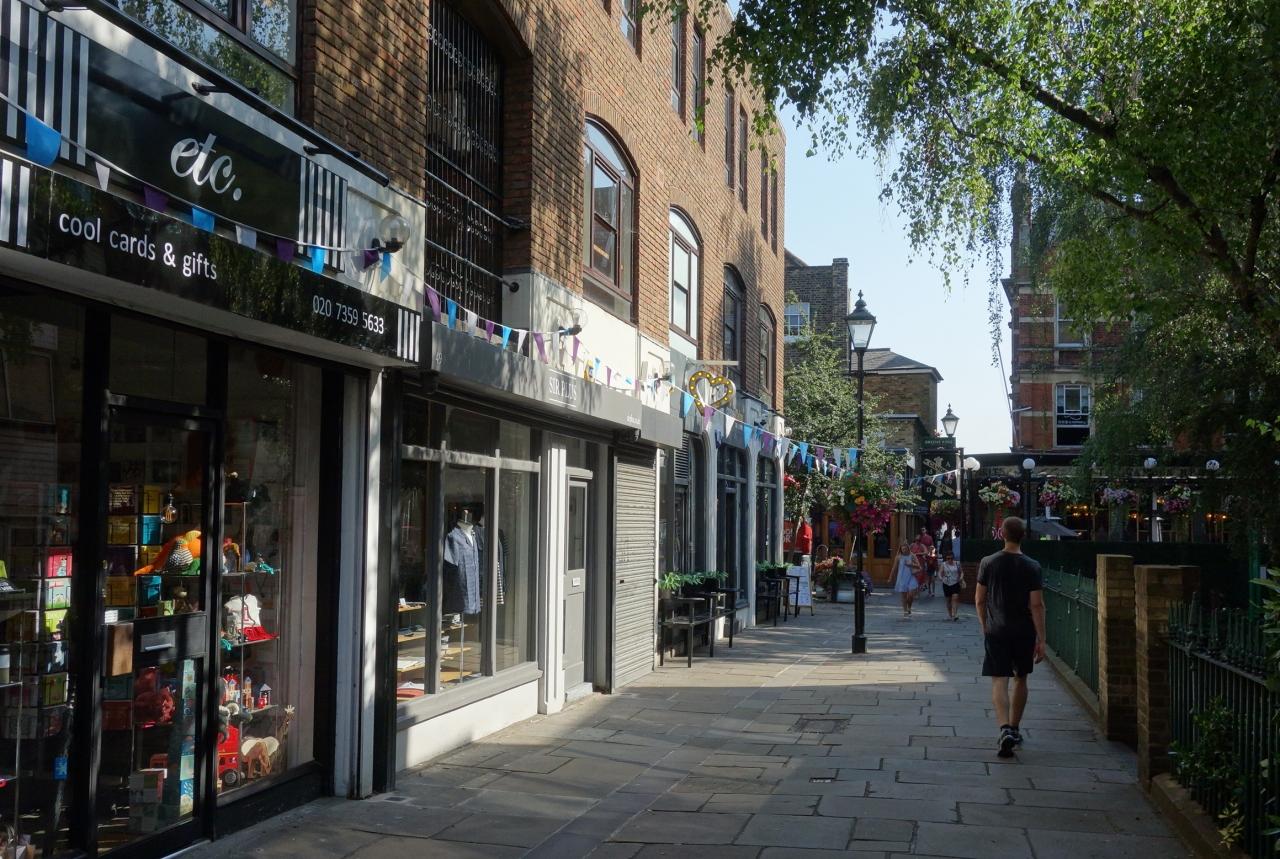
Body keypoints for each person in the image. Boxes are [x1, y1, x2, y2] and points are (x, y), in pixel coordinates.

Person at [974, 517, 1046, 758]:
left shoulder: (988, 562)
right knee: (1021, 678)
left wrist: (984, 624)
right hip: (1024, 630)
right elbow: (1036, 605)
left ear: (1002, 534)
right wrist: (1042, 638)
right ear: (1023, 535)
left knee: (999, 679)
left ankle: (1004, 727)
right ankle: (1014, 728)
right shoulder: (1033, 566)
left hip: (997, 630)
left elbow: (979, 599)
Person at [893, 542, 920, 617]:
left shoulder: (912, 555)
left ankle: (909, 607)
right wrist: (891, 577)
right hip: (902, 577)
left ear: (908, 549)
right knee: (904, 596)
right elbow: (894, 568)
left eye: (905, 548)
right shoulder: (898, 557)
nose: (904, 550)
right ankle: (905, 610)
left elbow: (918, 566)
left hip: (911, 576)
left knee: (911, 595)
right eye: (903, 549)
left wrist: (911, 564)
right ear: (901, 549)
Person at [938, 550, 964, 621]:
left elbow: (961, 572)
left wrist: (961, 577)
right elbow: (940, 572)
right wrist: (940, 578)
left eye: (951, 558)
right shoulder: (943, 564)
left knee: (955, 598)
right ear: (946, 558)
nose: (950, 560)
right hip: (946, 584)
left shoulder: (957, 563)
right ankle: (950, 615)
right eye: (948, 558)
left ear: (953, 558)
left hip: (955, 583)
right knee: (948, 600)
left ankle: (954, 614)